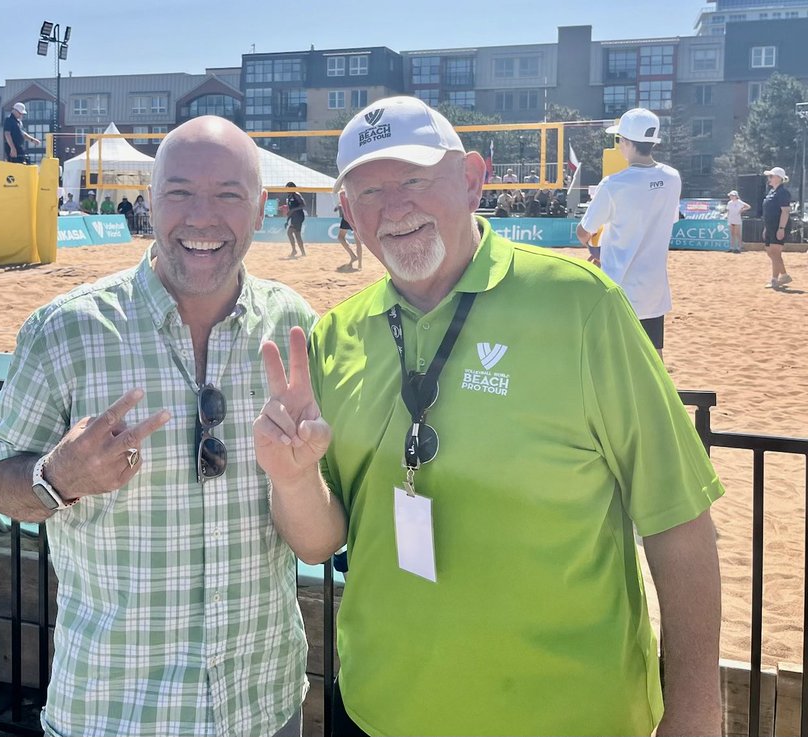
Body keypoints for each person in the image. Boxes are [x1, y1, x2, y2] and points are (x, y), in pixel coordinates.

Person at [256, 96, 724, 737]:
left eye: (414, 180)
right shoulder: (336, 335)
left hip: (570, 718)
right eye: (368, 192)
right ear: (346, 210)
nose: (394, 209)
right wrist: (291, 479)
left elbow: (681, 520)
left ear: (473, 179)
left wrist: (695, 712)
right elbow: (318, 543)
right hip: (378, 709)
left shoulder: (580, 306)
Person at [0, 116, 314, 737]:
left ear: (261, 206)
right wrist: (57, 478)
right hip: (117, 711)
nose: (203, 218)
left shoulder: (292, 323)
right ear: (150, 201)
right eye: (180, 192)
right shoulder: (65, 330)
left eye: (228, 194)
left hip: (264, 702)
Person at [576, 108, 681, 357]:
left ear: (625, 142)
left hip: (619, 285)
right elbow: (669, 219)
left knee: (613, 358)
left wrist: (595, 248)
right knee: (653, 357)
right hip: (654, 288)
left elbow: (583, 232)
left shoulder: (614, 184)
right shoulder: (672, 177)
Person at [760, 166, 792, 288]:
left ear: (779, 178)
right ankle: (784, 275)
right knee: (770, 252)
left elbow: (785, 211)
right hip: (770, 226)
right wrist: (766, 228)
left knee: (775, 253)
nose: (769, 178)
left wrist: (781, 228)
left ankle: (775, 279)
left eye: (771, 176)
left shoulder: (783, 192)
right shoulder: (772, 192)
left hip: (778, 226)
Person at [284, 181, 306, 258]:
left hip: (299, 216)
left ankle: (294, 250)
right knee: (297, 235)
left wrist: (293, 210)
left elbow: (303, 205)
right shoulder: (288, 197)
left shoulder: (296, 195)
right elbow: (290, 210)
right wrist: (287, 221)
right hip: (294, 217)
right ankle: (303, 252)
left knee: (290, 232)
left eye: (288, 188)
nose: (286, 190)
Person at [725, 189, 750, 254]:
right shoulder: (729, 203)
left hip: (737, 220)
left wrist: (742, 210)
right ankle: (732, 247)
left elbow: (748, 206)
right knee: (732, 234)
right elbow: (728, 211)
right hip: (731, 219)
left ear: (736, 196)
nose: (731, 197)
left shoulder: (739, 202)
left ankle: (739, 248)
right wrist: (727, 216)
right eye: (730, 196)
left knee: (737, 234)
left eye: (732, 195)